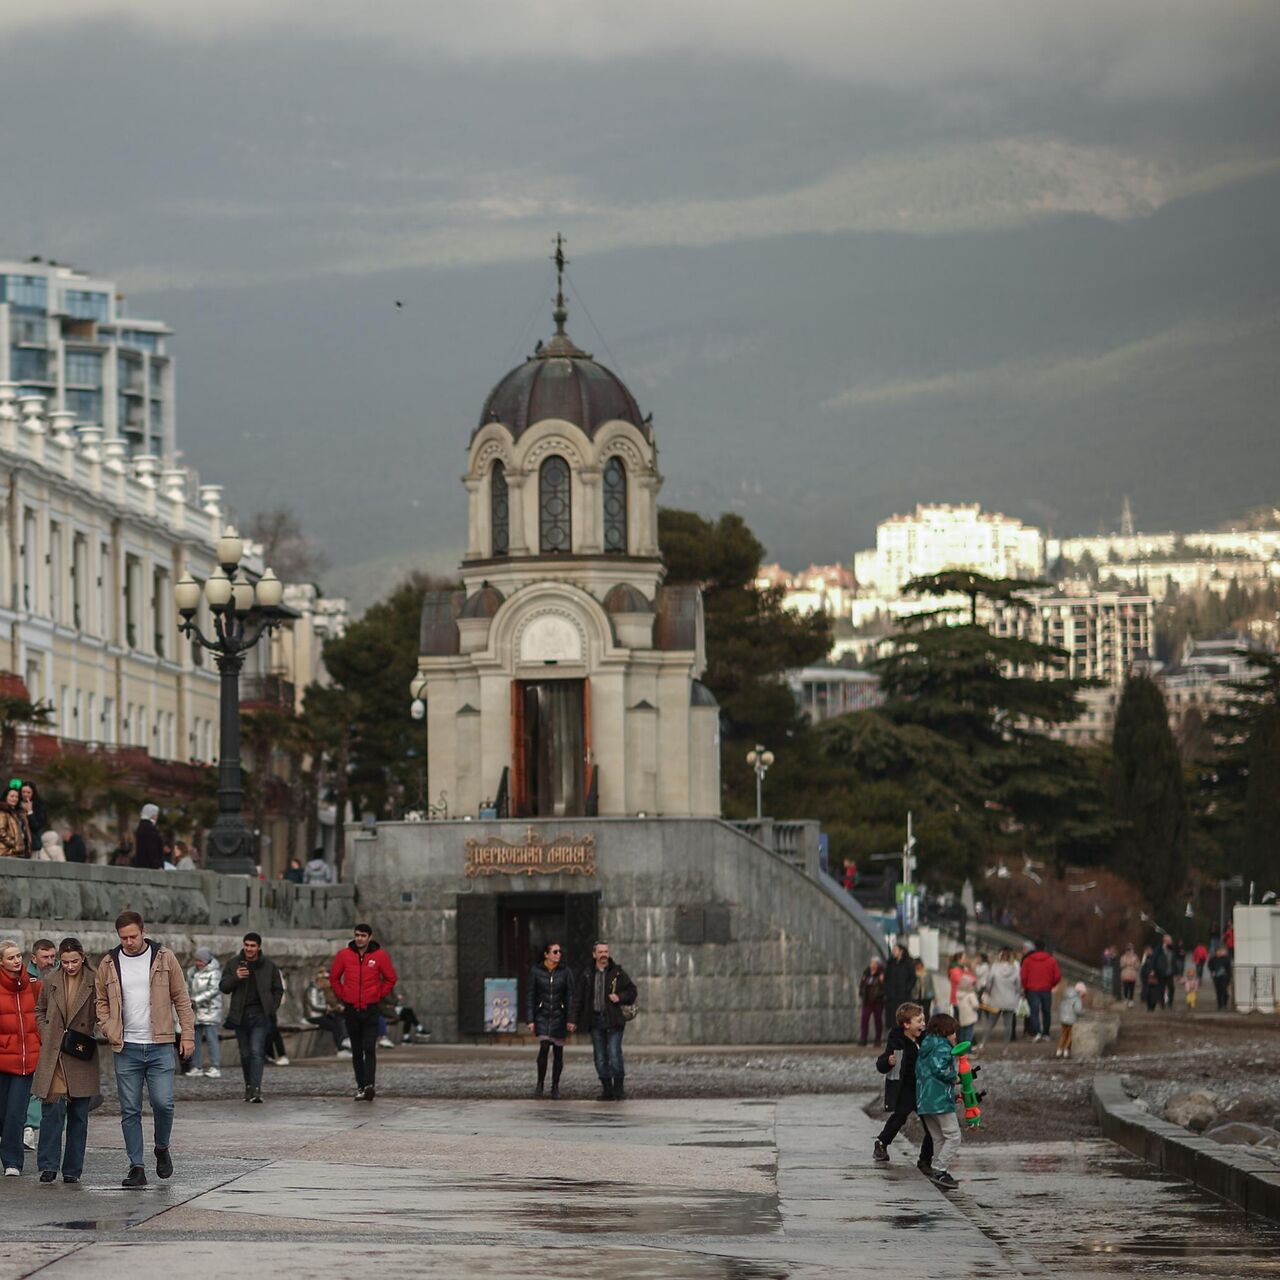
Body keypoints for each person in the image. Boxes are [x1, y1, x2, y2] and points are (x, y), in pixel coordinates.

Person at [93, 909, 194, 1188]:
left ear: (143, 932)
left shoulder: (164, 957)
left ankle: (161, 1147)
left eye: (133, 936)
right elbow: (100, 999)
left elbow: (181, 999)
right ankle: (136, 1166)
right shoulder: (109, 962)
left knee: (163, 1103)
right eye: (123, 937)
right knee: (129, 1109)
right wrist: (107, 1025)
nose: (129, 942)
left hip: (160, 1043)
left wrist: (187, 1035)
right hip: (126, 1046)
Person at [32, 939, 98, 1183]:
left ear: (83, 957)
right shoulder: (50, 980)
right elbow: (39, 1009)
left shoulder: (94, 980)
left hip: (80, 1051)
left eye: (74, 961)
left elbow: (104, 1009)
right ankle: (48, 1166)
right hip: (55, 1052)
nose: (70, 966)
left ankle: (72, 1170)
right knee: (52, 1111)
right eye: (66, 961)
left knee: (79, 1115)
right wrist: (45, 1031)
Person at [329, 923, 397, 1101]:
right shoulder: (344, 955)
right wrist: (343, 994)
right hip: (352, 1009)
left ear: (370, 937)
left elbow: (390, 978)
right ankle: (360, 1086)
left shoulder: (379, 956)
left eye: (363, 936)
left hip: (371, 1009)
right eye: (357, 935)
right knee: (357, 1051)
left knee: (370, 1049)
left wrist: (378, 994)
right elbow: (334, 978)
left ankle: (369, 1085)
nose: (359, 938)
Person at [219, 932, 284, 1103]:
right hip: (240, 1015)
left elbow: (278, 989)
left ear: (259, 947)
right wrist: (236, 977)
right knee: (245, 1053)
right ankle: (249, 1085)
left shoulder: (268, 965)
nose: (249, 949)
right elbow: (223, 986)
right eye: (246, 945)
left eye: (252, 946)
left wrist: (271, 1007)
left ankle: (256, 1089)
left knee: (257, 1052)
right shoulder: (234, 963)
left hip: (260, 1015)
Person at [571, 941, 637, 1101]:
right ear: (594, 954)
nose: (604, 955)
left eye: (606, 952)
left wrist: (619, 997)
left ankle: (619, 1089)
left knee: (614, 1053)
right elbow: (578, 998)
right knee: (600, 1056)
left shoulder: (617, 973)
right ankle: (607, 1090)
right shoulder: (587, 974)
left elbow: (632, 991)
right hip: (595, 1020)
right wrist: (572, 1019)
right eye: (600, 952)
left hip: (614, 1020)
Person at [872, 1001, 934, 1172]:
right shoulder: (897, 1041)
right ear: (906, 1024)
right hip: (906, 1088)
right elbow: (880, 1064)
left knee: (931, 1126)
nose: (923, 1024)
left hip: (924, 1089)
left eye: (923, 1020)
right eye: (919, 1021)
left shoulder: (925, 1040)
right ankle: (882, 1143)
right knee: (899, 1117)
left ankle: (925, 1160)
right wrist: (888, 1062)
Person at [0, 939, 40, 1175]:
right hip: (3, 1058)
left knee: (16, 1112)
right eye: (11, 957)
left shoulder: (33, 985)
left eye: (18, 956)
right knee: (3, 1112)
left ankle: (12, 1162)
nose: (17, 961)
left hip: (26, 1060)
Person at [915, 1012, 962, 1190]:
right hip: (939, 1100)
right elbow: (939, 1068)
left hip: (924, 1100)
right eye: (953, 1032)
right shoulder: (942, 1046)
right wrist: (955, 1077)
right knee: (954, 1136)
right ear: (945, 1031)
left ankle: (938, 1171)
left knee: (939, 1138)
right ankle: (940, 1169)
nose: (955, 1036)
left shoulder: (925, 1045)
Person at [525, 940, 575, 1099]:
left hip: (559, 1015)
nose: (558, 954)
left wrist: (571, 1018)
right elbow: (530, 995)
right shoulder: (536, 971)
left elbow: (571, 996)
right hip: (542, 1014)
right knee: (544, 1046)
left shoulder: (565, 971)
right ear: (546, 954)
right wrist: (530, 1019)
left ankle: (555, 1086)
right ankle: (540, 1084)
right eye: (555, 952)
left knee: (558, 1052)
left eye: (560, 951)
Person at [23, 940, 58, 1152]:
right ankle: (28, 1127)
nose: (50, 961)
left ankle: (30, 1128)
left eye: (53, 957)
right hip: (32, 1039)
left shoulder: (53, 977)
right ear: (34, 958)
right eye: (45, 957)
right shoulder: (28, 980)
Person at [186, 947, 224, 1078]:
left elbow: (214, 990)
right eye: (196, 960)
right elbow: (187, 987)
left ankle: (215, 1066)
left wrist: (196, 1000)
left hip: (210, 1010)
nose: (198, 963)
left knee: (211, 1039)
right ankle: (196, 1066)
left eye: (200, 960)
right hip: (196, 1011)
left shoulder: (215, 973)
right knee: (195, 1039)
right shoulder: (191, 972)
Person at [1019, 940, 1062, 1042]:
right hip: (1046, 989)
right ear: (1044, 948)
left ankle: (1037, 1032)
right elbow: (1057, 976)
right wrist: (1051, 984)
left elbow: (1023, 976)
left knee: (1034, 1012)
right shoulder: (1051, 960)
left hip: (1032, 989)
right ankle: (1046, 1033)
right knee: (1046, 1012)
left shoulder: (1028, 960)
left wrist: (1026, 987)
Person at [305, 968, 350, 1057]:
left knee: (338, 1019)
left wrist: (332, 1008)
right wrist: (328, 1008)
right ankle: (340, 1048)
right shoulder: (313, 990)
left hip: (322, 1014)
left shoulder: (322, 990)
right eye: (325, 981)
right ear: (320, 981)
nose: (327, 983)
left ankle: (344, 1042)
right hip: (313, 1016)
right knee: (334, 1025)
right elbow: (314, 1006)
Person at [985, 948, 1021, 1042]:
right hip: (1010, 1000)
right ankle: (1006, 1044)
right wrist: (1017, 992)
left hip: (996, 999)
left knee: (991, 1023)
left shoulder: (995, 967)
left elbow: (989, 981)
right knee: (1008, 1024)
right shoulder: (1015, 968)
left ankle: (984, 1041)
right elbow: (1018, 985)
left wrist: (988, 991)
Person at [858, 957, 887, 1047]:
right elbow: (862, 985)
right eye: (872, 963)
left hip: (878, 1000)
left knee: (878, 1020)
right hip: (867, 1000)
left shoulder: (881, 974)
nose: (873, 965)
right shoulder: (866, 973)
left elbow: (884, 987)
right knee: (864, 1019)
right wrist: (862, 994)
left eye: (875, 963)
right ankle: (863, 1038)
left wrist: (882, 986)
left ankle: (878, 1039)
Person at [882, 943, 916, 1019]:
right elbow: (886, 978)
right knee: (892, 1017)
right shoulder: (890, 963)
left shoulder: (908, 963)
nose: (893, 952)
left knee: (903, 1017)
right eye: (893, 950)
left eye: (895, 950)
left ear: (901, 951)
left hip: (904, 996)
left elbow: (913, 978)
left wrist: (907, 989)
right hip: (891, 996)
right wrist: (887, 990)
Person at [0, 783, 31, 857]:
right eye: (12, 796)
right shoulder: (3, 812)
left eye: (16, 797)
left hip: (19, 852)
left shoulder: (18, 813)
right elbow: (1, 832)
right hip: (7, 852)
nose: (14, 799)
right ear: (6, 797)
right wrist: (14, 843)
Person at [131, 803, 165, 870]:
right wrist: (157, 865)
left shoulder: (141, 827)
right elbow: (152, 848)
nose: (156, 817)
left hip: (142, 865)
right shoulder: (150, 828)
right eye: (155, 815)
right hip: (150, 867)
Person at [1056, 982, 1086, 1058]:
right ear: (1081, 992)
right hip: (1071, 1020)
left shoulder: (1066, 996)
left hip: (1063, 1019)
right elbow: (1078, 1010)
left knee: (1063, 1034)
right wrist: (1083, 1013)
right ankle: (1066, 1050)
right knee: (1070, 1035)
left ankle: (1059, 1050)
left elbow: (1061, 1007)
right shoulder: (1077, 999)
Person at [20, 781, 47, 850]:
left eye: (28, 792)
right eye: (23, 792)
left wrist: (30, 812)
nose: (25, 794)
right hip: (17, 843)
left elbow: (36, 827)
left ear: (33, 793)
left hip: (32, 844)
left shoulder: (39, 806)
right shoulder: (16, 804)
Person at [955, 975, 980, 1049]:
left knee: (963, 1033)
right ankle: (968, 1049)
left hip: (962, 1017)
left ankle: (962, 1048)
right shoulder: (970, 994)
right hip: (970, 1017)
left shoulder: (958, 994)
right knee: (969, 1034)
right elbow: (975, 1005)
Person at [1154, 935, 1177, 1009]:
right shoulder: (1159, 949)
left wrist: (1177, 972)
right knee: (1161, 989)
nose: (1171, 942)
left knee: (1172, 988)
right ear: (1165, 941)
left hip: (1170, 972)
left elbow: (1174, 960)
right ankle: (1162, 1004)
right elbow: (1154, 959)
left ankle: (1170, 1003)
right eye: (1170, 940)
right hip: (1161, 972)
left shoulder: (1172, 949)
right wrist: (1153, 970)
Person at [1209, 945, 1232, 1010]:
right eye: (1217, 951)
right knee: (1218, 991)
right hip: (1216, 978)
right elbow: (1210, 966)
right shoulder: (1213, 959)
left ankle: (1225, 1004)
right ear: (1216, 952)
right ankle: (1219, 1005)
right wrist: (1212, 971)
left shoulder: (1226, 959)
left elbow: (1229, 969)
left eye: (1220, 951)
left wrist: (1229, 978)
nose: (1219, 952)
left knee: (1224, 991)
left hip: (1225, 977)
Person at [1139, 946, 1161, 1012]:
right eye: (1146, 951)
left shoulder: (1156, 958)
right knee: (1148, 994)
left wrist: (1154, 972)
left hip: (1155, 978)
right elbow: (1143, 969)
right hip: (1146, 978)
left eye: (1148, 951)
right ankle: (1149, 1007)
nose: (1147, 952)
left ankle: (1152, 1007)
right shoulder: (1145, 959)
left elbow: (1159, 967)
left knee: (1154, 994)